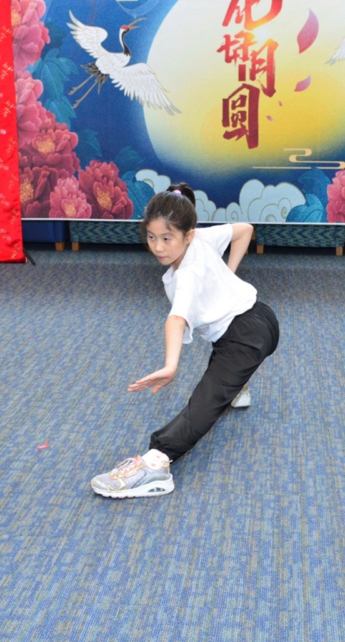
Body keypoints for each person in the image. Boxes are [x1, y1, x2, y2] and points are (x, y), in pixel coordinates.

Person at [90, 184, 279, 498]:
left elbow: (176, 319)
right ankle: (239, 388)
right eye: (152, 238)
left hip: (245, 338)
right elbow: (245, 230)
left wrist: (170, 365)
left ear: (187, 235)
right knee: (221, 356)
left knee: (202, 405)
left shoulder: (186, 276)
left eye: (167, 239)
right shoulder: (203, 237)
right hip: (261, 317)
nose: (159, 247)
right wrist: (229, 275)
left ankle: (156, 465)